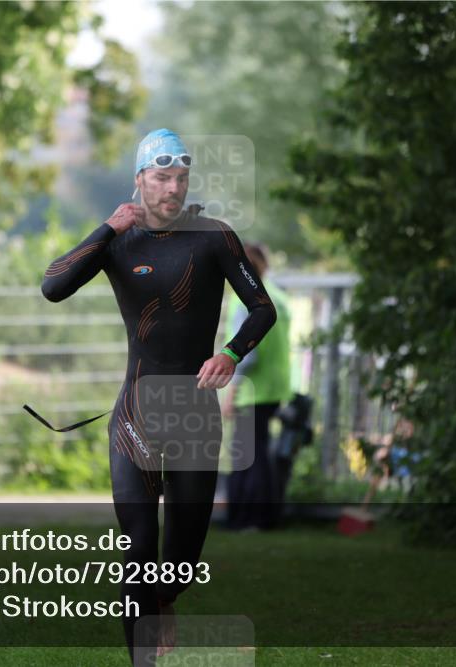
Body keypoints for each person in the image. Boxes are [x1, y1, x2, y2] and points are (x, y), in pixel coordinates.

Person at [40, 128, 277, 666]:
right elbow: (53, 286)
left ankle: (166, 597)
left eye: (181, 178)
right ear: (141, 179)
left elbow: (263, 309)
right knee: (139, 547)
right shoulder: (119, 240)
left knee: (182, 559)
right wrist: (107, 228)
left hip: (193, 413)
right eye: (162, 176)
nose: (173, 188)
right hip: (136, 416)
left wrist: (231, 354)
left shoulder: (214, 237)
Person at [221, 243, 292, 530]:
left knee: (248, 456)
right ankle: (256, 517)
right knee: (258, 451)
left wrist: (231, 391)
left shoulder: (244, 302)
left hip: (252, 389)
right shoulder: (278, 297)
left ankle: (252, 519)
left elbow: (246, 354)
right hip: (274, 388)